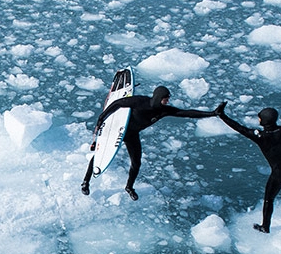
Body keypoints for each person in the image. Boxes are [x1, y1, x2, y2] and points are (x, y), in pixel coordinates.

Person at [82, 85, 224, 200]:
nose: (167, 102)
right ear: (158, 97)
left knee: (136, 163)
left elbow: (187, 113)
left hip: (132, 135)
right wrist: (101, 118)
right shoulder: (140, 102)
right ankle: (86, 182)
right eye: (165, 99)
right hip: (118, 130)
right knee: (99, 155)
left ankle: (129, 187)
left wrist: (212, 113)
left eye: (167, 99)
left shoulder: (163, 111)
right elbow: (118, 103)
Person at [216, 105, 281, 233]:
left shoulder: (260, 136)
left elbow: (239, 128)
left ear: (263, 121)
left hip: (279, 174)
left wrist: (222, 115)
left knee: (269, 199)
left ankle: (265, 227)